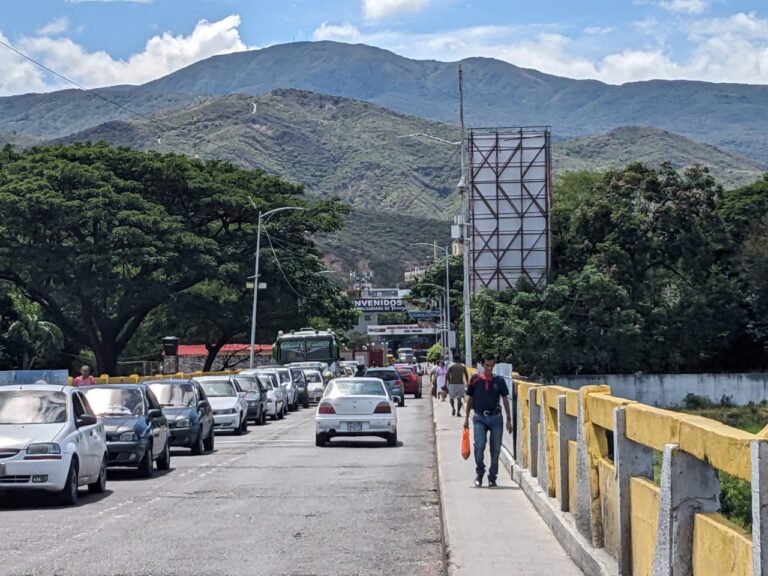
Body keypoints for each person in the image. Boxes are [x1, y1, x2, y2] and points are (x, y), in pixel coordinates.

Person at [463, 353, 513, 488]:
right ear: (481, 365)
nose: (489, 368)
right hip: (479, 417)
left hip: (496, 417)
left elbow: (505, 399)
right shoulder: (475, 379)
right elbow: (470, 399)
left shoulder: (499, 380)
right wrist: (466, 418)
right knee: (479, 446)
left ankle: (492, 477)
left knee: (495, 449)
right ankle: (480, 472)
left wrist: (509, 418)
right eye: (487, 365)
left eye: (491, 366)